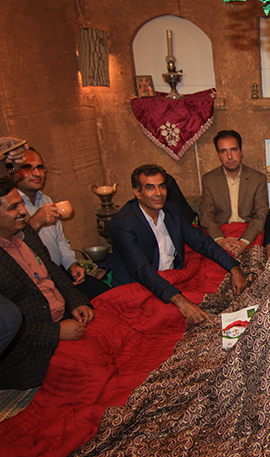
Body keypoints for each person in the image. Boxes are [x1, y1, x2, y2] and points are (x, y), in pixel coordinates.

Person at [110, 165, 247, 324]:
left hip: (172, 280)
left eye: (162, 186)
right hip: (139, 287)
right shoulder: (123, 224)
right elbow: (141, 269)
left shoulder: (172, 211)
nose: (159, 193)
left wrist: (234, 268)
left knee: (222, 291)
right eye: (150, 188)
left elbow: (201, 242)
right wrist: (181, 302)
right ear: (137, 192)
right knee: (178, 316)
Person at [0, 177, 93, 390]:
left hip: (63, 322)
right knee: (93, 375)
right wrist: (56, 332)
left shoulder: (26, 234)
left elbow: (53, 271)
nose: (24, 211)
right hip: (29, 353)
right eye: (14, 207)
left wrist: (76, 302)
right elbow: (6, 328)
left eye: (21, 203)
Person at [10, 147, 111, 299]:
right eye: (27, 167)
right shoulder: (8, 207)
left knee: (109, 295)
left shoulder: (45, 200)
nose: (37, 173)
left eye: (40, 168)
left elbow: (60, 241)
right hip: (34, 284)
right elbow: (11, 247)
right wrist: (35, 222)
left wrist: (72, 264)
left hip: (58, 273)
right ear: (12, 171)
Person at [200, 130, 269, 256]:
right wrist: (220, 240)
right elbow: (206, 214)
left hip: (249, 233)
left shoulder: (258, 178)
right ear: (218, 155)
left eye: (233, 150)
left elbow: (261, 214)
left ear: (241, 152)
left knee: (256, 260)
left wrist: (244, 242)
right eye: (223, 151)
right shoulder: (209, 179)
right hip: (221, 232)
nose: (230, 156)